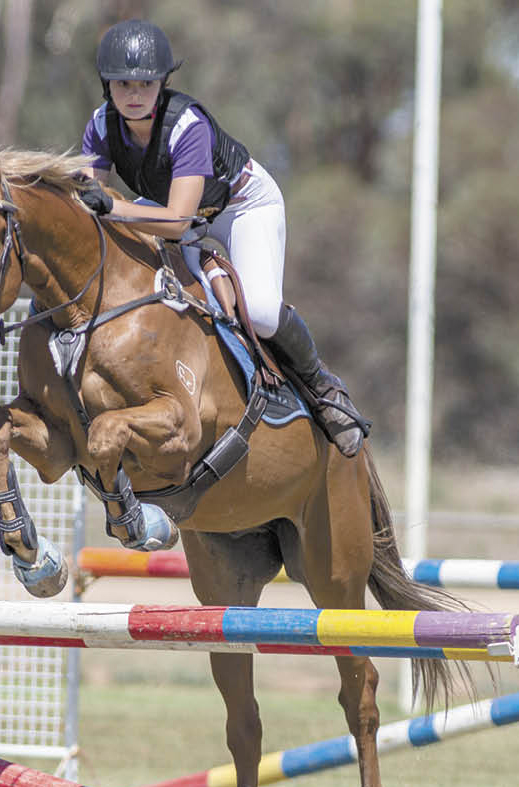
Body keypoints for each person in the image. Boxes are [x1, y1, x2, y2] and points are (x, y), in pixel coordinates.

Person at [76, 19, 369, 458]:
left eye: (145, 84)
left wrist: (114, 209)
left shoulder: (186, 125)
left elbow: (176, 222)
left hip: (239, 207)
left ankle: (323, 387)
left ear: (163, 83)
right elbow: (89, 202)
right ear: (107, 86)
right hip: (177, 210)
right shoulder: (101, 124)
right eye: (123, 84)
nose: (134, 94)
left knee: (262, 312)